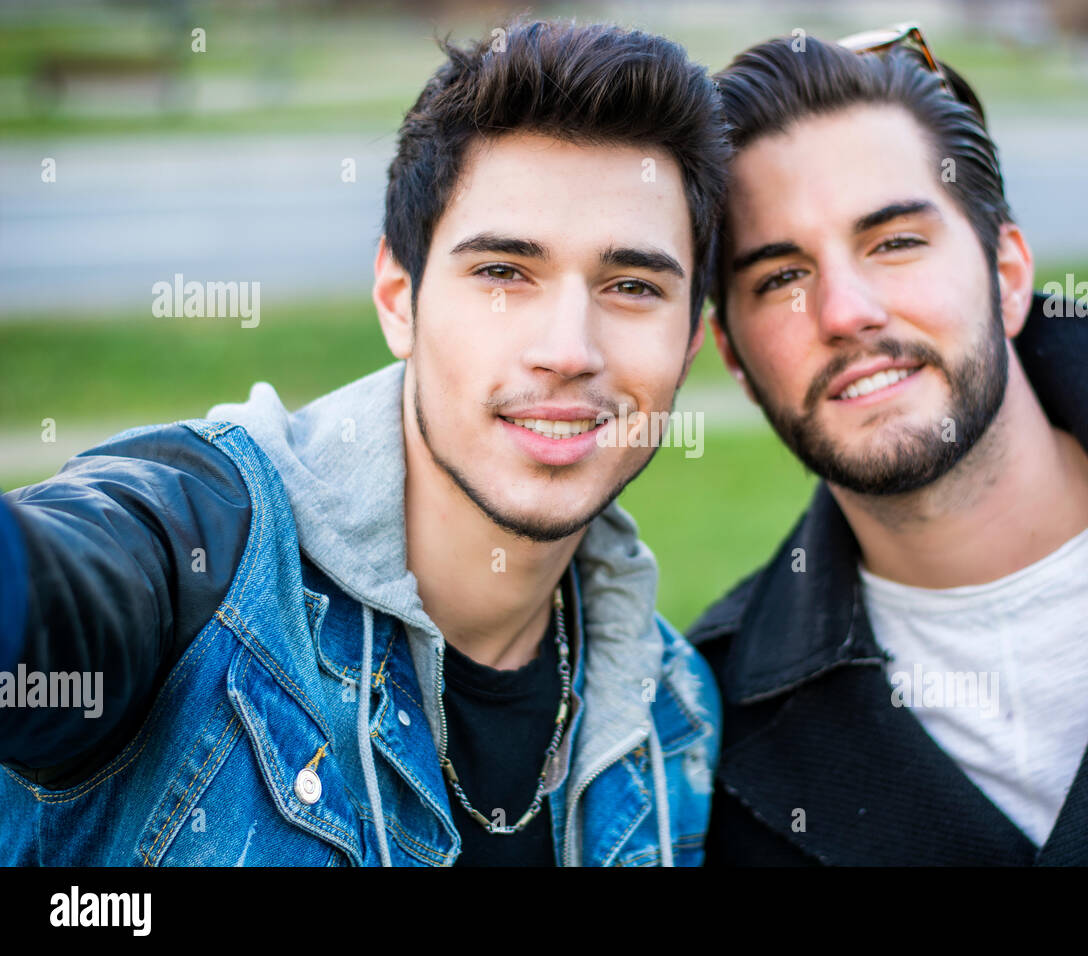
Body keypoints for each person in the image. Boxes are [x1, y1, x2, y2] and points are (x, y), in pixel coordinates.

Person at [0, 19, 726, 867]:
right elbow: (57, 592)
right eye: (502, 272)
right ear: (398, 298)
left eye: (632, 285)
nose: (568, 349)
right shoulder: (199, 548)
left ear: (690, 344)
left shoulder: (673, 718)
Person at [689, 26, 1088, 866]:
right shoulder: (701, 737)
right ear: (736, 359)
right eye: (781, 277)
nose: (845, 311)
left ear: (1008, 276)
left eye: (896, 241)